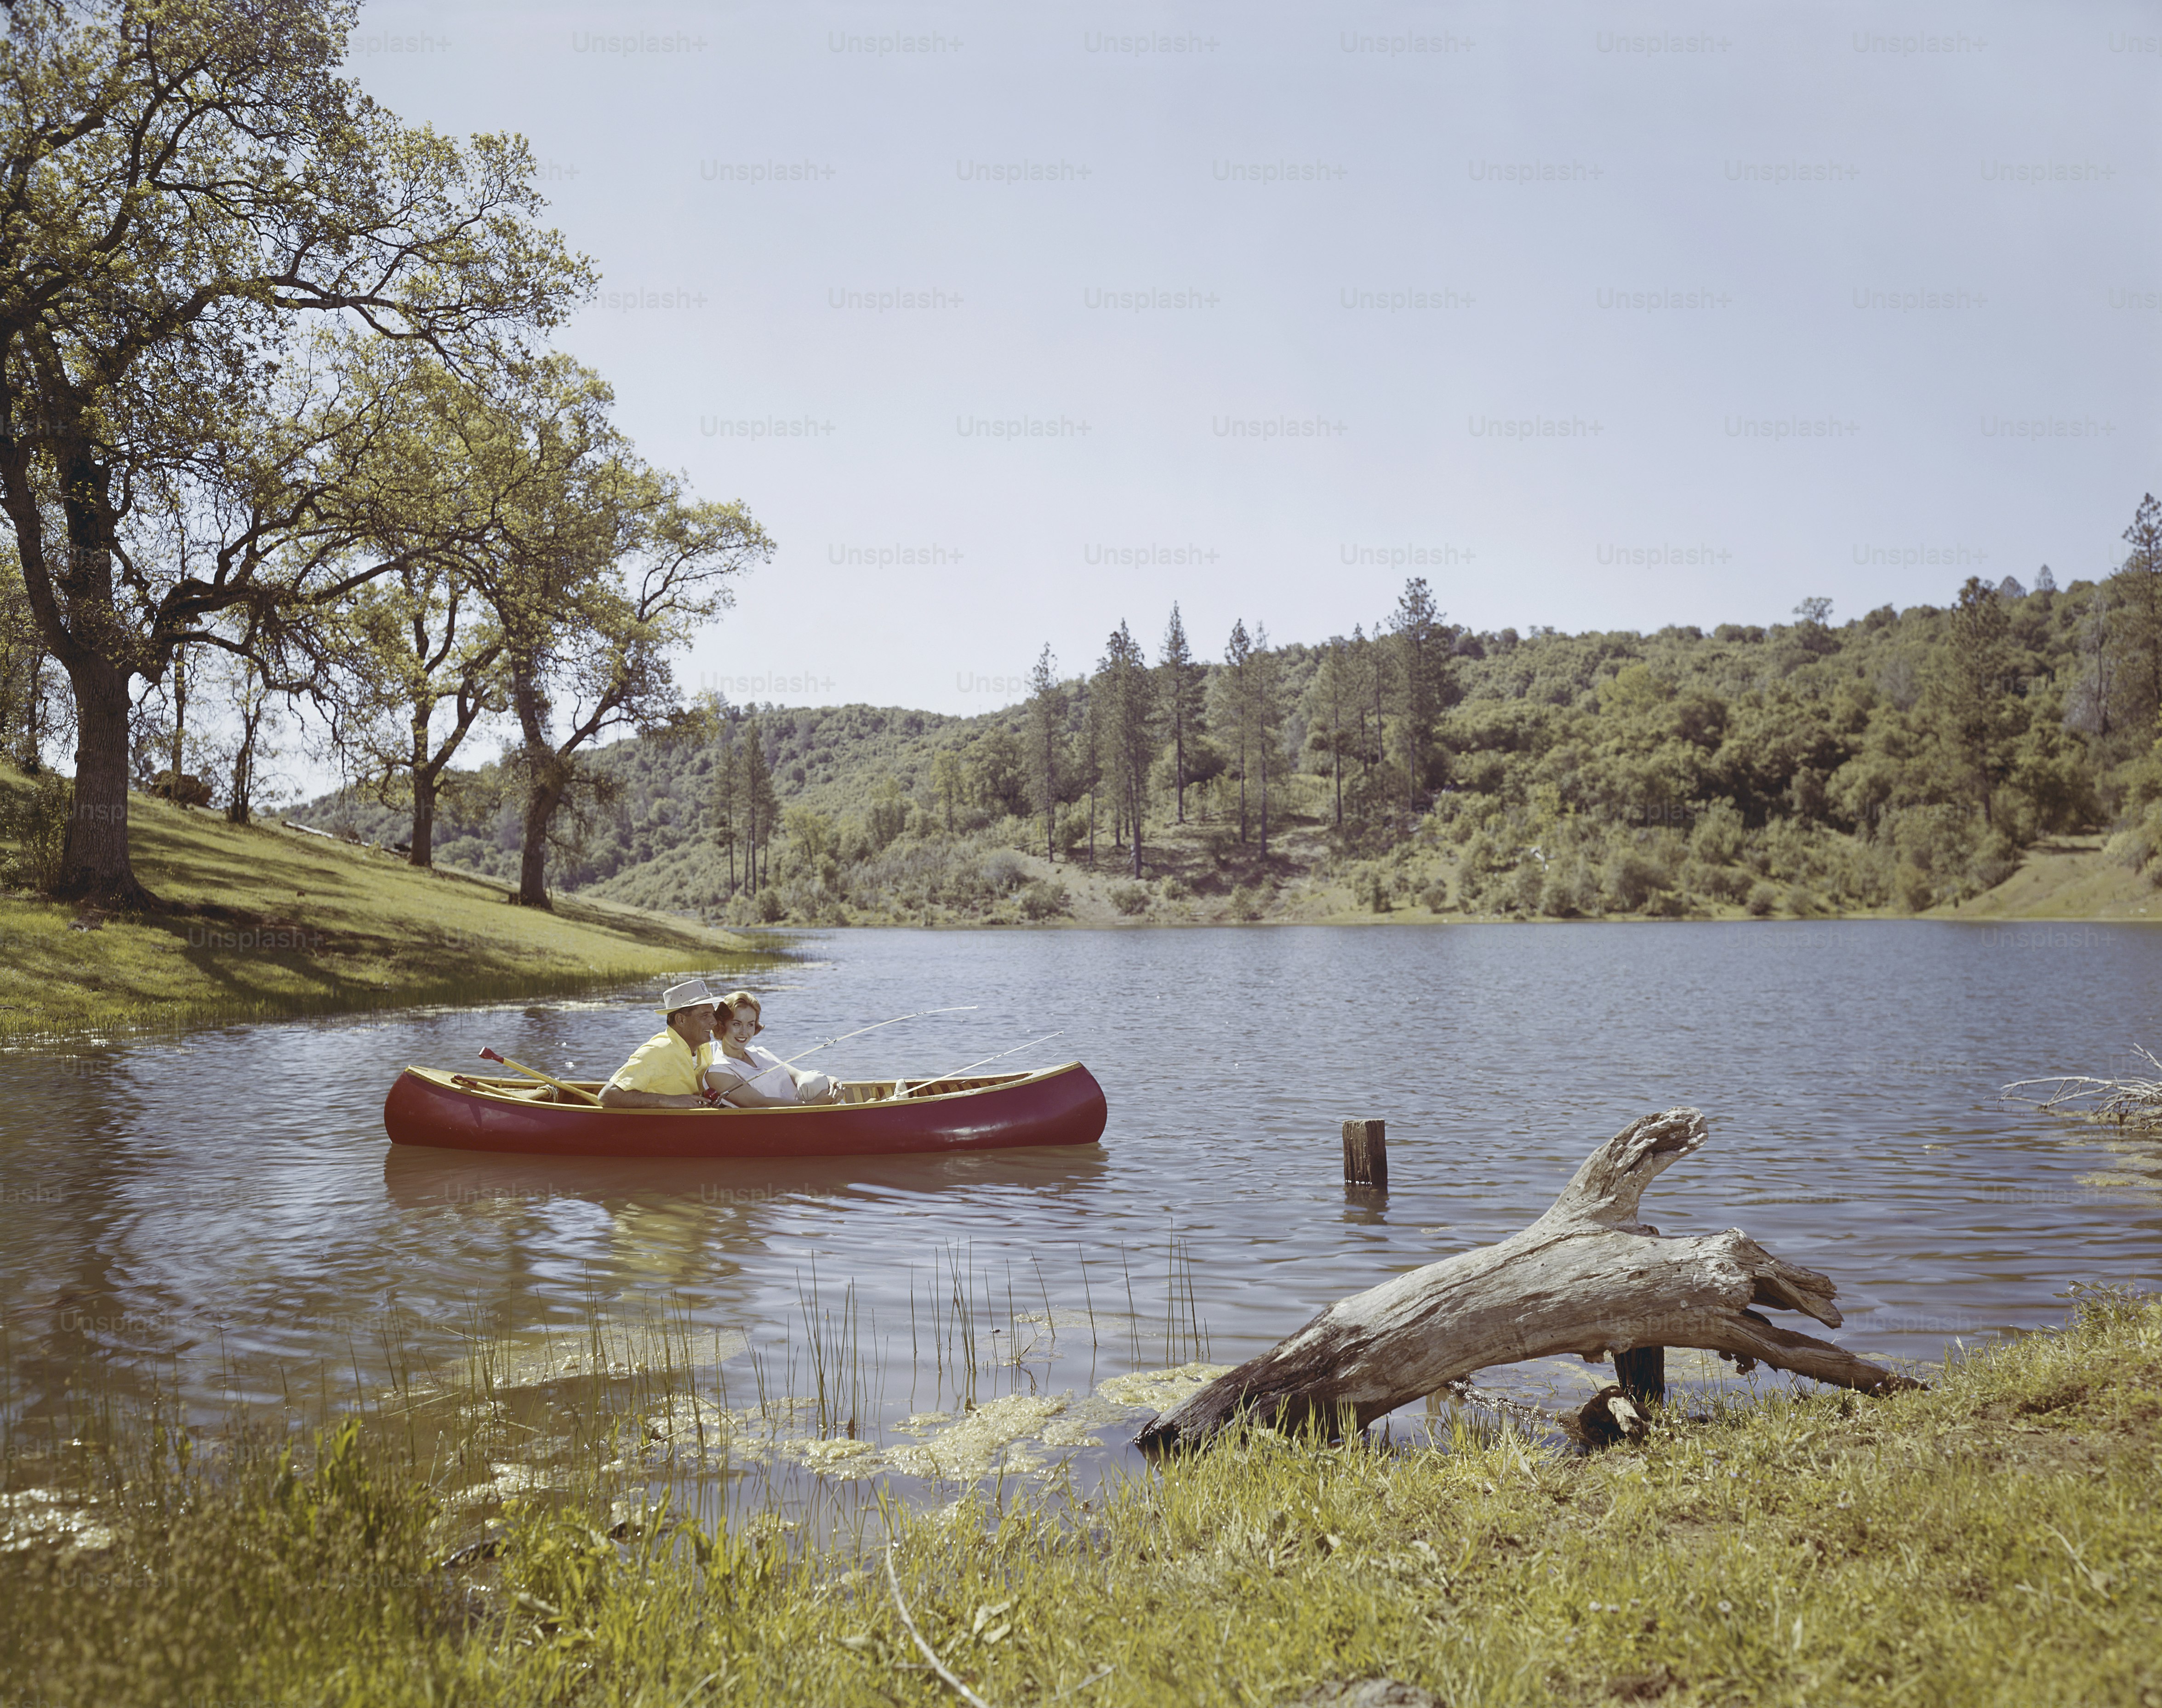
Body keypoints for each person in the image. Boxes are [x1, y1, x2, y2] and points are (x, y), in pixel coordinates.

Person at [703, 989, 846, 1106]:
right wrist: (813, 1105)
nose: (744, 1032)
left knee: (814, 1079)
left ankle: (851, 1117)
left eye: (750, 1024)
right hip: (780, 1121)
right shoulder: (718, 1071)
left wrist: (831, 1080)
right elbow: (759, 1103)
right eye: (737, 1024)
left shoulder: (760, 1052)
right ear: (722, 1024)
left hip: (806, 1111)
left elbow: (799, 1076)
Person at [598, 978, 724, 1109]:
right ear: (681, 1020)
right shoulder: (657, 1051)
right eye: (705, 1016)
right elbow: (607, 1096)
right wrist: (667, 1101)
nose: (714, 1022)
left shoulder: (704, 1047)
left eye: (713, 1015)